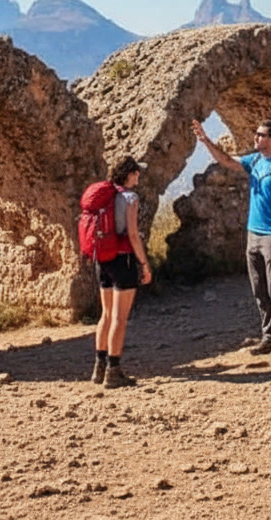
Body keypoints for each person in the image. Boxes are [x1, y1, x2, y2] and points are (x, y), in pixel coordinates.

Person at [191, 118, 271, 359]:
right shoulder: (255, 160)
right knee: (260, 290)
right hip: (254, 234)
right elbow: (227, 160)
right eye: (256, 133)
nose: (255, 138)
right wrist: (206, 140)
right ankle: (269, 337)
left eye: (260, 135)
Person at [92, 156, 152, 389]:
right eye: (136, 173)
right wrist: (144, 263)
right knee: (119, 318)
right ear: (129, 174)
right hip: (123, 260)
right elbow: (133, 235)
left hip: (103, 260)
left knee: (106, 315)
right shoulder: (130, 198)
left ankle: (98, 368)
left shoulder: (106, 196)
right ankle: (113, 371)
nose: (139, 176)